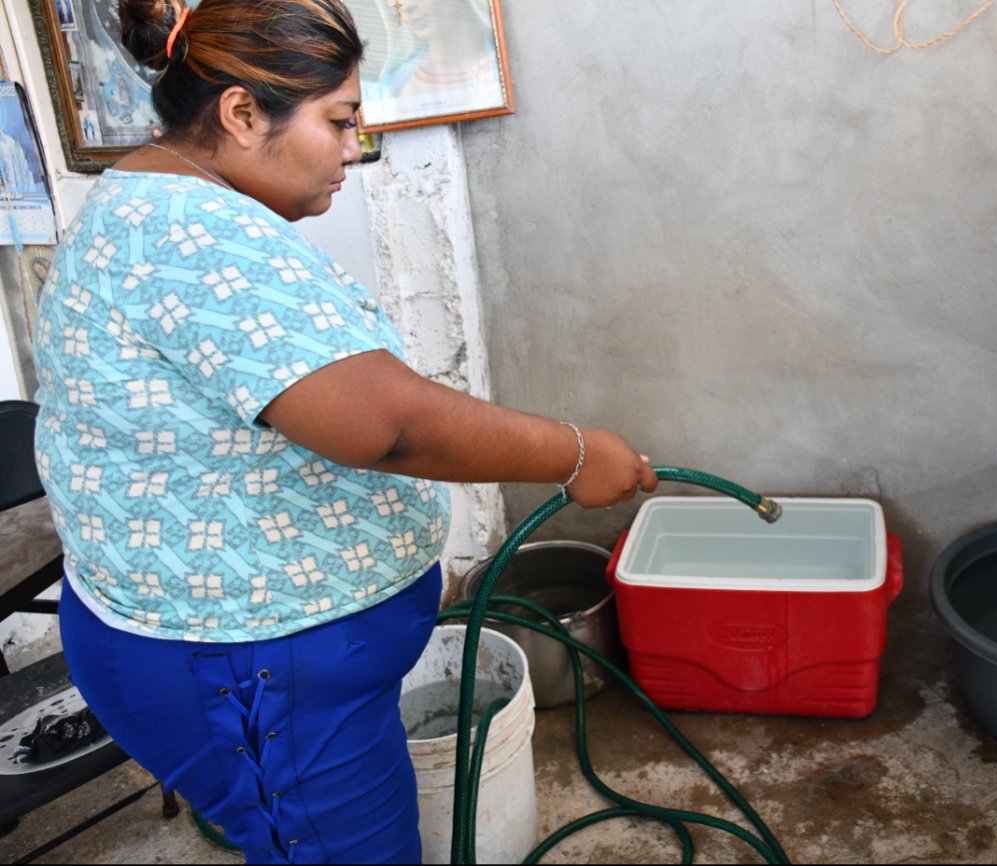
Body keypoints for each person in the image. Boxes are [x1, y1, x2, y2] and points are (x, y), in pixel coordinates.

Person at [32, 0, 657, 862]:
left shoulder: (165, 201)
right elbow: (388, 426)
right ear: (243, 114)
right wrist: (578, 454)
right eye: (339, 121)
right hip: (249, 675)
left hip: (263, 666)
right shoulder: (192, 233)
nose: (355, 149)